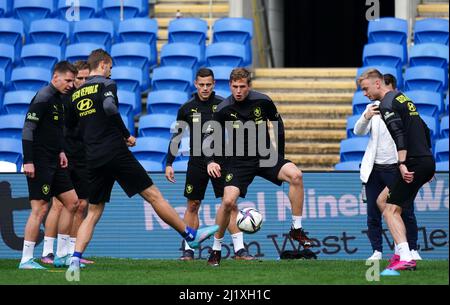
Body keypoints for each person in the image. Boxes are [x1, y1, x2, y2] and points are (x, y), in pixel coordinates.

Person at [67, 49, 218, 272]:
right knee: (153, 195)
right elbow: (109, 107)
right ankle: (190, 235)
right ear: (103, 65)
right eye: (110, 67)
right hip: (114, 152)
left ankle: (75, 260)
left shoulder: (76, 94)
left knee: (93, 211)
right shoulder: (107, 84)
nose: (110, 71)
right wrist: (126, 134)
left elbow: (72, 129)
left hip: (93, 156)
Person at [205, 68, 314, 266]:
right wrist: (210, 160)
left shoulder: (263, 101)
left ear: (249, 86)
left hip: (266, 156)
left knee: (296, 175)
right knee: (228, 202)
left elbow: (278, 125)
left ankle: (296, 229)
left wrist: (280, 156)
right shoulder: (223, 108)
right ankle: (216, 249)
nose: (238, 91)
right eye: (235, 86)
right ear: (230, 85)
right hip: (239, 161)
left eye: (242, 87)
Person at [165, 68, 254, 261]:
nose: (205, 88)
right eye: (201, 84)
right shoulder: (186, 108)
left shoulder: (223, 104)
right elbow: (177, 137)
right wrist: (169, 163)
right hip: (197, 162)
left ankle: (239, 250)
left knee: (229, 203)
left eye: (208, 84)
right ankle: (188, 250)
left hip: (221, 162)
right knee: (193, 205)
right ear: (195, 84)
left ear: (213, 84)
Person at [357, 68, 435, 271]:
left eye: (365, 89)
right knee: (383, 201)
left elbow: (399, 134)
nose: (365, 94)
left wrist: (401, 163)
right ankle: (402, 253)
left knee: (391, 210)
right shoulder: (403, 98)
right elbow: (425, 129)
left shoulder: (386, 103)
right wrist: (428, 162)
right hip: (423, 160)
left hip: (412, 162)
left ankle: (406, 256)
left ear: (378, 83)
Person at [19, 61, 80, 269]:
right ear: (55, 77)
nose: (71, 84)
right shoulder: (43, 96)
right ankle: (26, 259)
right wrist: (28, 161)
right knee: (40, 209)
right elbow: (28, 129)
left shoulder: (59, 99)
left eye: (73, 81)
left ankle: (62, 255)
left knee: (72, 202)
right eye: (68, 80)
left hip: (55, 160)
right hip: (40, 161)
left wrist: (62, 151)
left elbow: (55, 130)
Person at [41, 61, 94, 266]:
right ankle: (48, 252)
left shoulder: (92, 99)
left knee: (81, 206)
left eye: (85, 79)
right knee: (58, 204)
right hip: (63, 156)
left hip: (84, 157)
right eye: (78, 78)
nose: (81, 82)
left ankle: (74, 253)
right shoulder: (61, 97)